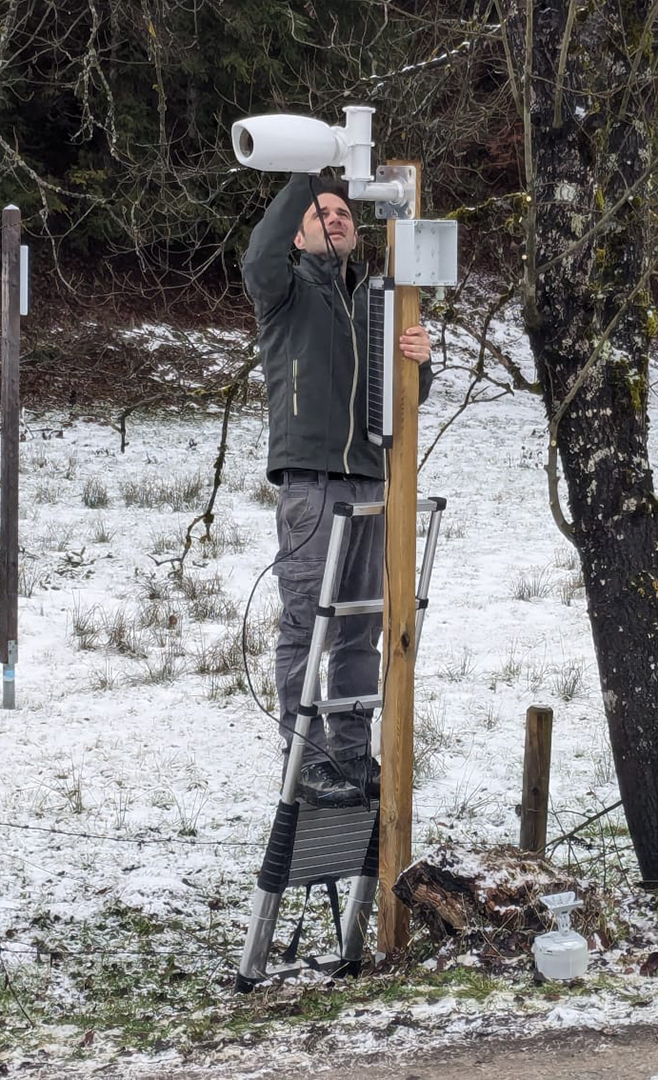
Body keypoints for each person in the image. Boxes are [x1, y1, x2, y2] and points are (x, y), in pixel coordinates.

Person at [242, 173, 433, 808]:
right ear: (299, 231)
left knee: (360, 627)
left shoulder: (374, 302)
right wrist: (308, 174)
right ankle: (306, 759)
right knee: (308, 623)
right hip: (311, 485)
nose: (337, 218)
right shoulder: (284, 292)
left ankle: (352, 755)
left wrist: (419, 360)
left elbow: (411, 397)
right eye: (321, 212)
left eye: (345, 212)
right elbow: (260, 252)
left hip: (373, 480)